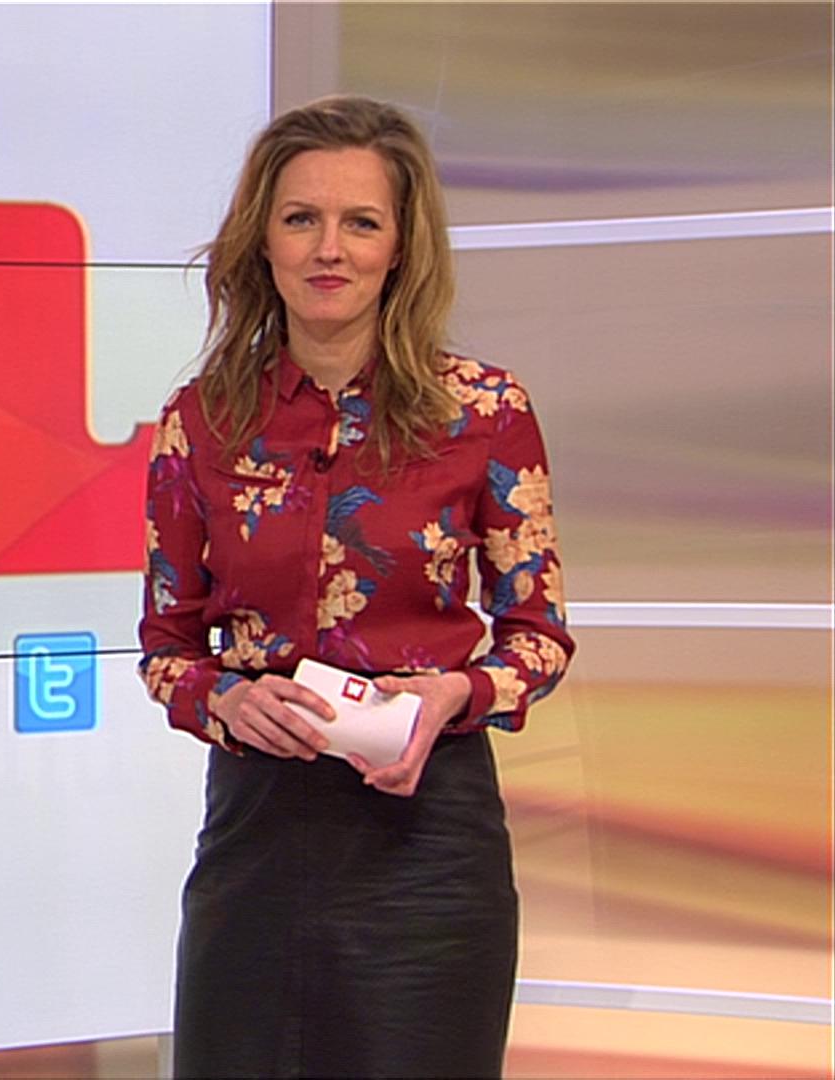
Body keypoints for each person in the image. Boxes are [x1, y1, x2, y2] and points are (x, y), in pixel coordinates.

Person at [137, 95, 574, 1079]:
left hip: (426, 839)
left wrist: (455, 693)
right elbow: (167, 647)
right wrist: (225, 699)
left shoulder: (485, 411)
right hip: (257, 834)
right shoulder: (200, 422)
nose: (328, 249)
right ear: (263, 242)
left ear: (401, 247)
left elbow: (538, 634)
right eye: (301, 219)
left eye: (361, 222)